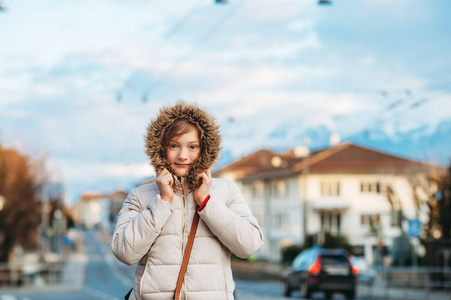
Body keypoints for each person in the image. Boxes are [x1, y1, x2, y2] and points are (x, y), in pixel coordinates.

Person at [111, 101, 264, 300]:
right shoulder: (140, 196)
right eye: (174, 146)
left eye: (192, 147)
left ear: (204, 150)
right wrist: (162, 202)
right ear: (161, 149)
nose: (183, 155)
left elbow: (249, 245)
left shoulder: (226, 191)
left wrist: (207, 202)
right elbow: (124, 252)